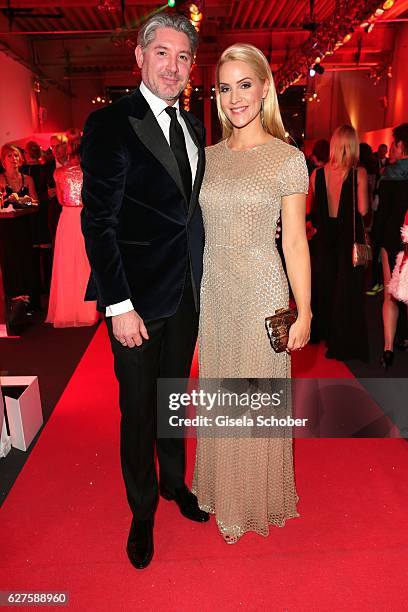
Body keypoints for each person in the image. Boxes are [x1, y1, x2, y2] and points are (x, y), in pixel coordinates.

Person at [81, 13, 208, 570]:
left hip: (186, 296)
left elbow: (191, 215)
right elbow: (98, 224)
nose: (173, 67)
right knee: (137, 408)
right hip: (135, 302)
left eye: (183, 57)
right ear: (139, 55)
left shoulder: (194, 127)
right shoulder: (111, 124)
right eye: (163, 53)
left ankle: (175, 483)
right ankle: (142, 512)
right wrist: (119, 305)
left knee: (173, 401)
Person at [193, 44, 311, 543]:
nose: (235, 97)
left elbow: (295, 241)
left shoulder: (288, 159)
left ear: (265, 88)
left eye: (245, 85)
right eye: (225, 87)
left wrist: (303, 311)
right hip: (215, 289)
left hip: (262, 288)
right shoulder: (207, 157)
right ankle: (223, 488)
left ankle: (254, 499)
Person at [307, 125, 369, 361]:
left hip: (324, 238)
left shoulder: (317, 174)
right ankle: (340, 340)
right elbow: (362, 209)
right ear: (352, 145)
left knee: (324, 286)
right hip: (347, 238)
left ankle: (320, 331)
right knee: (346, 290)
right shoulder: (358, 173)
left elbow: (308, 209)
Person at [45, 140, 99, 328]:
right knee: (86, 262)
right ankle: (89, 310)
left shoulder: (58, 173)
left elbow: (60, 199)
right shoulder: (92, 172)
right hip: (86, 217)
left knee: (66, 264)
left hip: (67, 218)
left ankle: (66, 310)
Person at [374, 123, 408, 368]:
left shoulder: (389, 176)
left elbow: (382, 216)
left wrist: (376, 242)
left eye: (394, 144)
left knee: (390, 294)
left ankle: (387, 348)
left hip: (391, 239)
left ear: (401, 146)